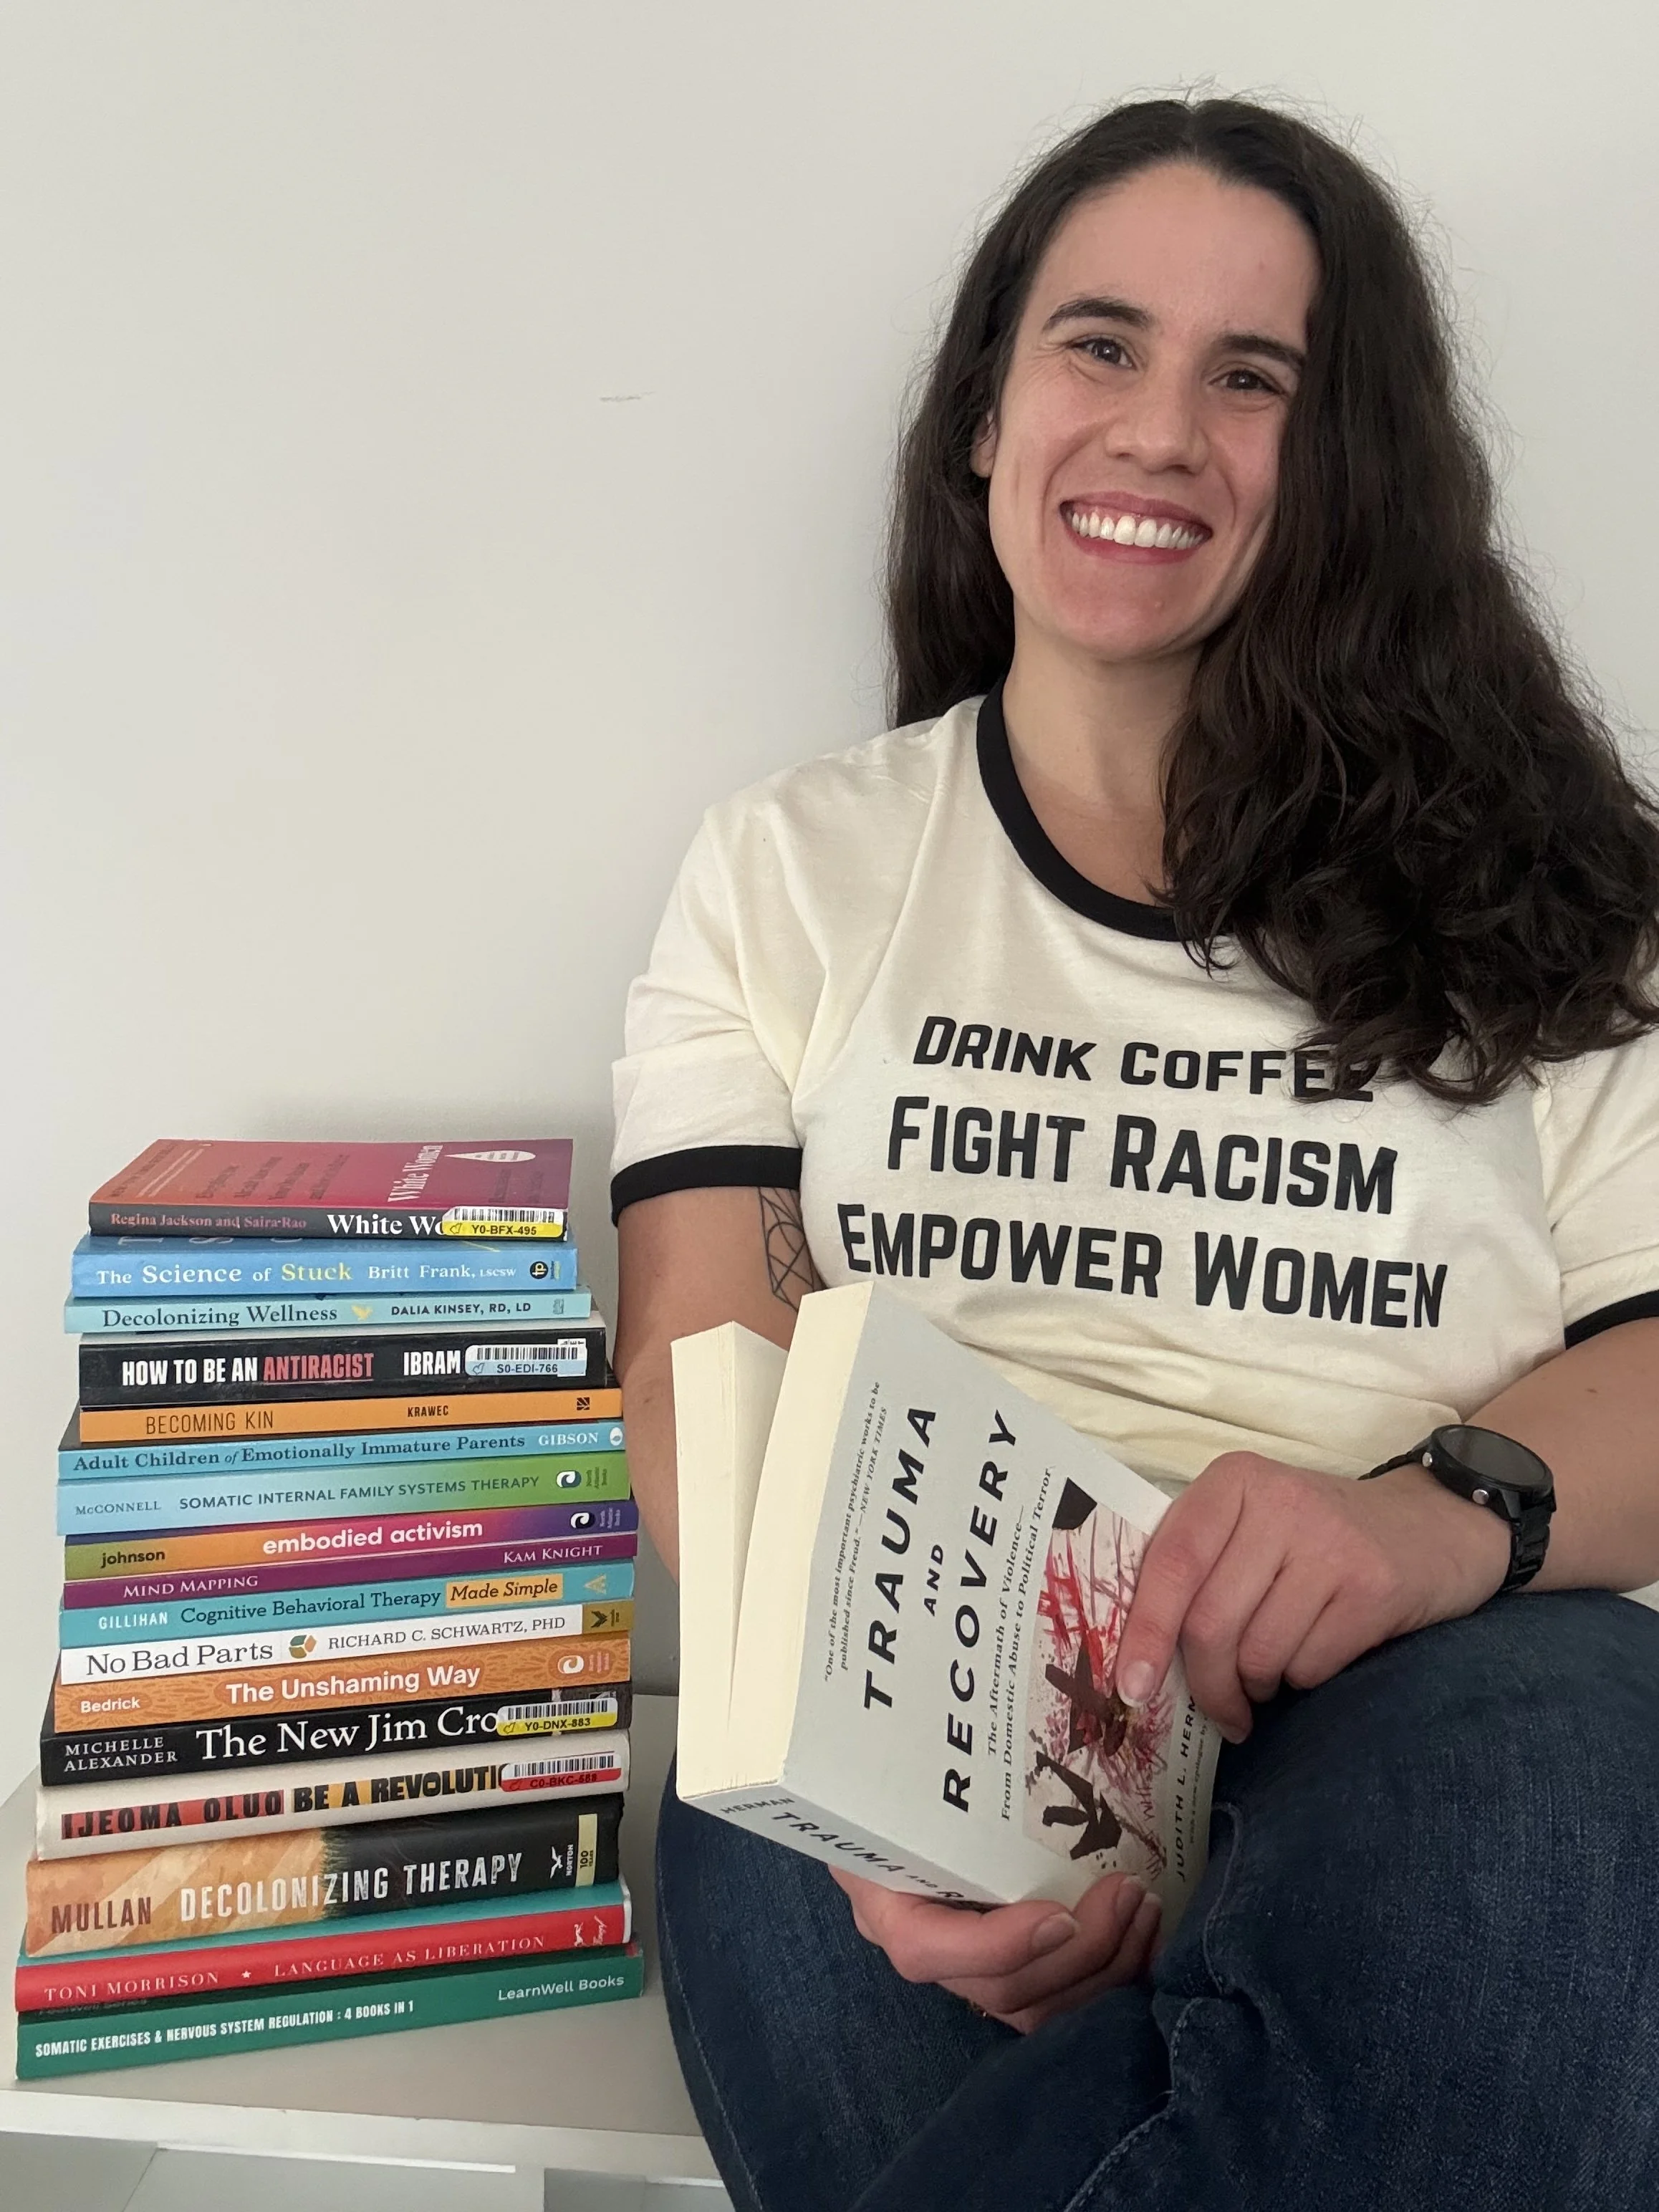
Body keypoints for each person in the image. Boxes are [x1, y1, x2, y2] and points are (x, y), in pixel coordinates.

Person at [609, 95, 1659, 2212]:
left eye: (1248, 378)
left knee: (1576, 1776)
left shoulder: (1569, 891)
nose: (1162, 431)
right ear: (984, 417)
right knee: (749, 1837)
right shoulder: (792, 870)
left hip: (1438, 1677)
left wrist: (1431, 1519)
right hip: (919, 1682)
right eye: (1101, 346)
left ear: (1341, 465)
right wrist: (878, 1800)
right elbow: (696, 1368)